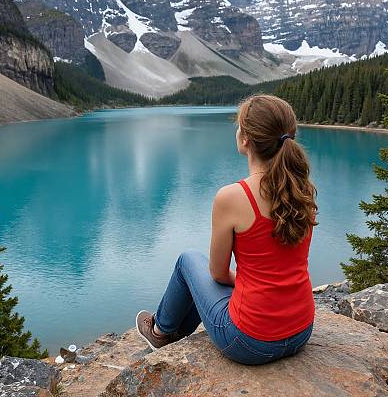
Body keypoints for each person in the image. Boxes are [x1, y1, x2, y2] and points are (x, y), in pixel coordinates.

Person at [136, 94, 318, 365]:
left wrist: (242, 280)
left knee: (188, 260)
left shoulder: (232, 197)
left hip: (249, 342)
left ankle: (161, 332)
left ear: (245, 139)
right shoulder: (302, 190)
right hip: (301, 331)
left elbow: (218, 273)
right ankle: (172, 333)